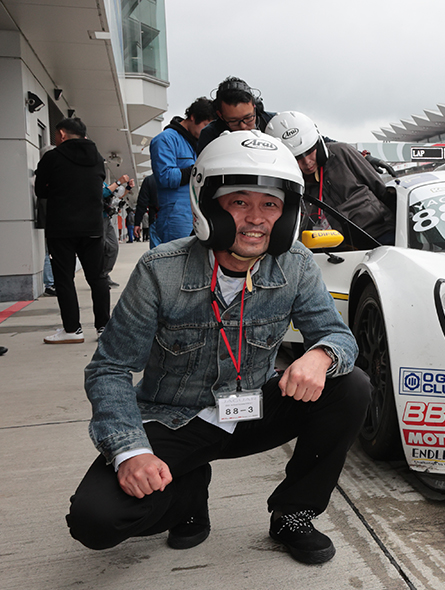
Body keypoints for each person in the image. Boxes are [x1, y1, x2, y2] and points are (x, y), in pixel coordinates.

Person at [66, 130, 371, 566]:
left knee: (351, 386)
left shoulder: (296, 263)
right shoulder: (159, 271)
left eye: (271, 205)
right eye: (239, 201)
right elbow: (109, 368)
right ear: (208, 204)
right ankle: (186, 496)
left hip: (253, 409)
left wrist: (319, 356)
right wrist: (131, 452)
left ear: (287, 214)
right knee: (96, 520)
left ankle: (294, 513)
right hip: (176, 419)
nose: (256, 218)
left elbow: (338, 337)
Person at [266, 111, 394, 244]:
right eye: (297, 158)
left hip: (380, 233)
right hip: (335, 249)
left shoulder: (341, 152)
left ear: (318, 143)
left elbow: (382, 191)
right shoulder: (288, 187)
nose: (307, 162)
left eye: (310, 151)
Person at [34, 117, 110, 344]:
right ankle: (104, 328)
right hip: (92, 226)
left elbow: (41, 190)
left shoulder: (52, 157)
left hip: (62, 227)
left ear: (62, 134)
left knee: (64, 278)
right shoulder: (97, 158)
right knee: (98, 278)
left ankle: (72, 330)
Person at [150, 97, 215, 244]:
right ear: (193, 117)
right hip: (176, 216)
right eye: (205, 125)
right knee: (176, 255)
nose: (206, 131)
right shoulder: (164, 140)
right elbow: (165, 177)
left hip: (198, 212)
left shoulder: (198, 142)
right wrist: (197, 169)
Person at [197, 77, 275, 154]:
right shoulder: (209, 135)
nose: (243, 126)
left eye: (248, 118)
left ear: (254, 107)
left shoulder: (274, 122)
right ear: (220, 115)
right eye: (233, 121)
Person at [134, 175, 160, 247]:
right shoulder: (180, 176)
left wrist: (137, 223)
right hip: (177, 218)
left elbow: (142, 204)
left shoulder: (149, 180)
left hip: (155, 218)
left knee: (156, 250)